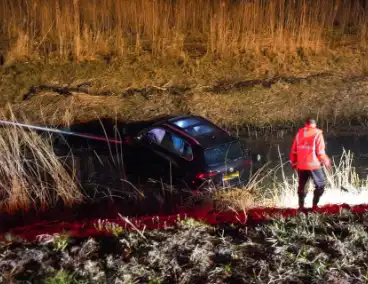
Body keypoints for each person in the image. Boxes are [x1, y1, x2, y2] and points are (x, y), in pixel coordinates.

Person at [290, 118, 331, 209]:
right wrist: (326, 161)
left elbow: (293, 150)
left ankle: (301, 207)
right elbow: (320, 153)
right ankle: (314, 206)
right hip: (314, 165)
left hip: (301, 165)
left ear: (306, 124)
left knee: (302, 186)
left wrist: (293, 163)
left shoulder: (299, 134)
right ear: (314, 125)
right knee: (320, 185)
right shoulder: (317, 134)